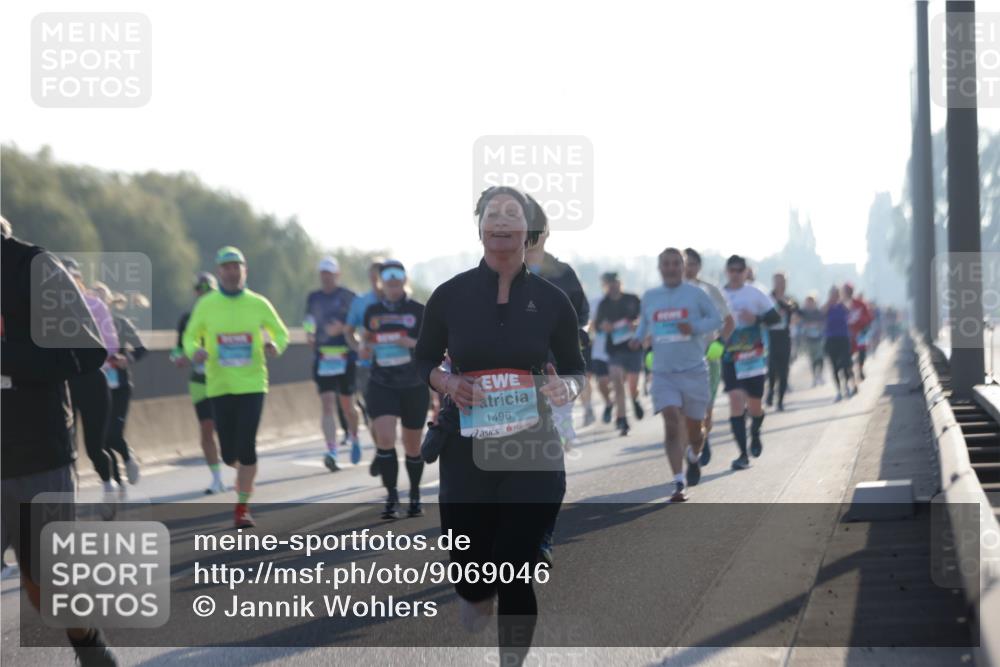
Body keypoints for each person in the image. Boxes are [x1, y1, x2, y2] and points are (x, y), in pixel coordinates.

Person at [414, 186, 584, 665]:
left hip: (532, 448)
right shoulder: (449, 296)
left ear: (529, 231)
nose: (503, 220)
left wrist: (566, 388)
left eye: (513, 213)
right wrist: (447, 381)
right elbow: (423, 359)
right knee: (472, 577)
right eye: (493, 213)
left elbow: (575, 368)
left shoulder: (553, 301)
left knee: (514, 568)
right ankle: (475, 590)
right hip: (466, 450)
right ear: (480, 227)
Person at [2, 217, 120, 666]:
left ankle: (90, 646)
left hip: (36, 456)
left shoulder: (32, 266)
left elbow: (85, 350)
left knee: (48, 586)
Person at [183, 246, 290, 528]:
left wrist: (274, 345)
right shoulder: (207, 304)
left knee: (247, 446)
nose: (232, 273)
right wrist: (195, 351)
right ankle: (242, 475)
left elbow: (281, 332)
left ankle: (242, 506)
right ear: (219, 273)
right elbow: (189, 336)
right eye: (226, 268)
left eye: (236, 267)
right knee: (229, 453)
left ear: (244, 271)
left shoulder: (258, 303)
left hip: (253, 384)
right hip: (219, 385)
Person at [632, 248, 721, 501]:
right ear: (660, 268)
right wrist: (637, 339)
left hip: (693, 371)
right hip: (663, 373)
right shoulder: (650, 296)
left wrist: (693, 327)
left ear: (683, 267)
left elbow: (716, 320)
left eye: (675, 264)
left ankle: (693, 455)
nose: (671, 268)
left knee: (695, 432)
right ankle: (679, 482)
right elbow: (644, 324)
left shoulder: (696, 294)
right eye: (666, 264)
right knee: (671, 422)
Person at [357, 260, 428, 519]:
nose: (394, 284)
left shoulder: (418, 310)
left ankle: (415, 495)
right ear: (382, 283)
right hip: (381, 383)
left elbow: (433, 346)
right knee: (385, 439)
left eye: (398, 280)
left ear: (405, 281)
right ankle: (392, 498)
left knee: (412, 446)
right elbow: (365, 340)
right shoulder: (372, 311)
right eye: (389, 280)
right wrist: (364, 348)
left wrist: (411, 342)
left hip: (413, 384)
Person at [63, 258, 120, 494]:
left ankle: (108, 484)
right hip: (63, 382)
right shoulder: (48, 308)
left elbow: (112, 344)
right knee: (65, 446)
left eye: (72, 277)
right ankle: (70, 495)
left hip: (92, 380)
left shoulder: (95, 305)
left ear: (79, 280)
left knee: (94, 448)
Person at [720, 255, 781, 471]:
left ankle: (755, 432)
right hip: (730, 357)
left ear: (746, 272)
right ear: (727, 271)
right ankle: (742, 454)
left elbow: (776, 318)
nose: (736, 274)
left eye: (740, 270)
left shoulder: (756, 293)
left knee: (755, 406)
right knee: (736, 401)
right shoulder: (720, 295)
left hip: (754, 358)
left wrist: (757, 319)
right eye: (732, 270)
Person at [172, 272, 227, 494]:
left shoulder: (224, 316)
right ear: (196, 293)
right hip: (199, 381)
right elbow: (177, 350)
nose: (205, 295)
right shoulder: (187, 319)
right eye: (200, 291)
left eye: (209, 291)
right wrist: (180, 358)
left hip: (223, 379)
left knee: (226, 430)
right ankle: (217, 479)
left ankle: (239, 467)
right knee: (206, 429)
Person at [304, 257, 361, 470]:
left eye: (329, 273)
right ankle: (331, 450)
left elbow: (360, 322)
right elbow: (308, 320)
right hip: (323, 357)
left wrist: (343, 328)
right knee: (327, 403)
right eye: (323, 273)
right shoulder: (314, 297)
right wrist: (309, 333)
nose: (326, 277)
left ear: (337, 274)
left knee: (347, 406)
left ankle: (354, 436)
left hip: (346, 357)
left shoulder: (348, 296)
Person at [92, 283, 148, 488]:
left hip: (120, 388)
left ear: (109, 302)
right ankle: (116, 480)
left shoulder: (120, 324)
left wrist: (127, 358)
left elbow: (142, 349)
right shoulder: (84, 328)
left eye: (102, 299)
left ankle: (128, 458)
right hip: (97, 389)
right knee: (102, 440)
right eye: (93, 300)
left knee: (114, 434)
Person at [684, 248, 733, 466]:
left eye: (692, 264)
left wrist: (719, 343)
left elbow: (729, 322)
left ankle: (702, 437)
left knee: (705, 409)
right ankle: (693, 447)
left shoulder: (710, 290)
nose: (688, 268)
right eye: (685, 263)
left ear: (699, 266)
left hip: (707, 356)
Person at [594, 272, 644, 436]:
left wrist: (636, 324)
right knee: (617, 382)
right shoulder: (604, 304)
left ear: (620, 283)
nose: (613, 286)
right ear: (605, 286)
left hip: (633, 347)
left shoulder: (632, 299)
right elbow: (597, 326)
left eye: (615, 283)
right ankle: (622, 420)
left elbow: (645, 318)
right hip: (614, 350)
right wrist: (604, 326)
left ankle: (635, 399)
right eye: (609, 284)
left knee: (632, 385)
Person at [765, 272, 798, 411]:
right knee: (772, 368)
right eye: (778, 281)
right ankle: (770, 392)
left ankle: (780, 401)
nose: (780, 284)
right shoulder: (767, 298)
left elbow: (796, 313)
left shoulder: (789, 299)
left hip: (785, 337)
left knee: (784, 370)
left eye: (783, 281)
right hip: (770, 336)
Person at [824, 285, 856, 401]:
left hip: (843, 338)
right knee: (834, 367)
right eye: (832, 294)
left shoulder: (843, 305)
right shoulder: (827, 307)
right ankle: (838, 391)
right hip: (831, 339)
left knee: (845, 364)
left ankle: (847, 385)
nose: (834, 296)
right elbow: (821, 314)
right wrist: (829, 303)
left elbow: (850, 313)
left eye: (836, 294)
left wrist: (841, 303)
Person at [588, 294, 614, 423]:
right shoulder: (594, 303)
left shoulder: (622, 303)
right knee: (602, 382)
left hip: (618, 351)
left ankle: (622, 414)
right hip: (599, 353)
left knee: (619, 381)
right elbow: (589, 326)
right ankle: (609, 403)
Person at [843, 283, 873, 382]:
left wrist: (863, 324)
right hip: (847, 335)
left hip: (860, 333)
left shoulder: (860, 304)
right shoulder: (841, 305)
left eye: (849, 290)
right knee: (847, 357)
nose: (848, 292)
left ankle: (860, 369)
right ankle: (851, 376)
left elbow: (868, 317)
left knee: (862, 353)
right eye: (846, 290)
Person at [798, 294, 826, 386]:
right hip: (809, 339)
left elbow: (823, 322)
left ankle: (820, 374)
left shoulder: (818, 312)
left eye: (811, 302)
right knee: (812, 359)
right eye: (808, 302)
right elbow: (799, 322)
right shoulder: (803, 312)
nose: (809, 304)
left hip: (819, 338)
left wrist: (816, 324)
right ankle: (814, 377)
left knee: (820, 357)